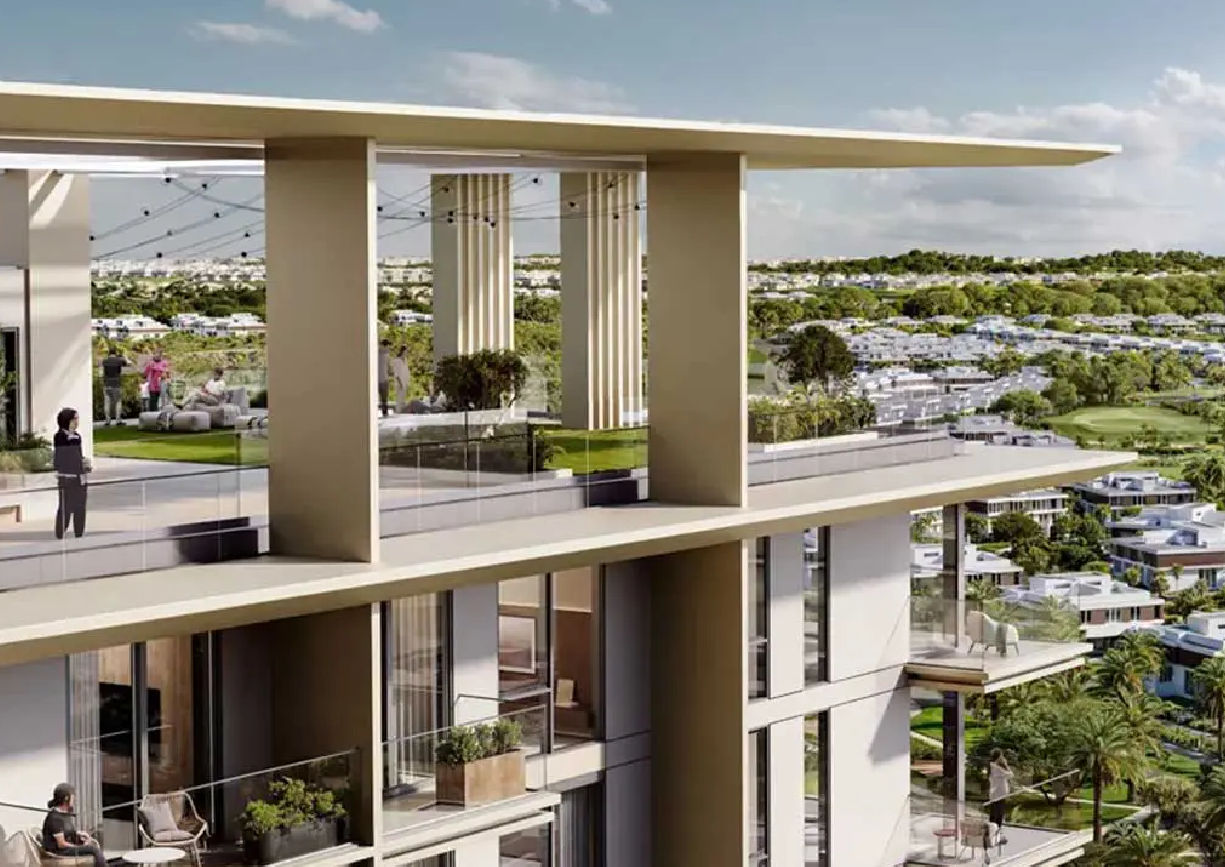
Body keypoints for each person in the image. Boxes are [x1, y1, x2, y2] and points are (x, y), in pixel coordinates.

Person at [43, 783, 104, 867]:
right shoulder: (55, 818)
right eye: (73, 796)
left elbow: (66, 831)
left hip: (65, 848)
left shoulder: (63, 814)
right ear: (66, 798)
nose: (74, 799)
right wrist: (77, 846)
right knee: (94, 850)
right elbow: (61, 844)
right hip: (58, 852)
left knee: (92, 846)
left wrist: (79, 834)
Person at [53, 407, 90, 539]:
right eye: (75, 419)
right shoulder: (60, 437)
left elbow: (78, 453)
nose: (77, 422)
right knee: (65, 506)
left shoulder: (77, 436)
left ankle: (79, 532)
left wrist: (84, 465)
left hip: (79, 476)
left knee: (80, 506)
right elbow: (62, 455)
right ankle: (61, 532)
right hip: (66, 477)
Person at [99, 345, 131, 426]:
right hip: (116, 384)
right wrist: (125, 357)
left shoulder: (105, 361)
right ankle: (118, 420)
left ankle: (107, 420)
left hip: (107, 384)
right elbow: (129, 364)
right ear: (115, 352)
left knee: (107, 402)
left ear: (108, 352)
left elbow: (101, 373)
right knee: (118, 402)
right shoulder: (118, 360)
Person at [988, 749, 1013, 844]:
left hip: (997, 795)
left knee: (995, 816)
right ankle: (993, 837)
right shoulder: (996, 768)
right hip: (998, 795)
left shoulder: (994, 767)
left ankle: (994, 837)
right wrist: (1006, 765)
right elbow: (1010, 775)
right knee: (997, 817)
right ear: (999, 757)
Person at [391, 346, 412, 412]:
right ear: (403, 351)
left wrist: (407, 382)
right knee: (399, 399)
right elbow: (396, 373)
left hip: (405, 382)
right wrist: (400, 383)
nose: (407, 352)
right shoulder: (397, 360)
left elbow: (407, 371)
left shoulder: (405, 360)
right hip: (399, 383)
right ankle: (398, 412)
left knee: (403, 399)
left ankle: (402, 412)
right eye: (406, 351)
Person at [377, 339, 392, 417]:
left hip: (376, 379)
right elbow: (390, 369)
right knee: (384, 398)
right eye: (388, 345)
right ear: (386, 345)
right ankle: (385, 413)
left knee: (379, 398)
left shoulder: (375, 353)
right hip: (384, 379)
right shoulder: (387, 355)